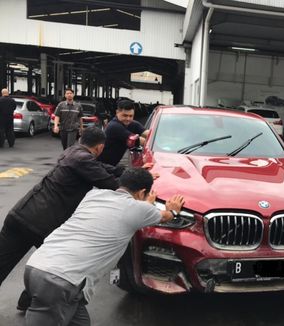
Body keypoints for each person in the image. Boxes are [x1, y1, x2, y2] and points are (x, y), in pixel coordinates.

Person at [24, 168, 185, 326]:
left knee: (80, 322)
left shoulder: (93, 195)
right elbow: (165, 216)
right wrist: (174, 211)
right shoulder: (139, 209)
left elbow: (131, 207)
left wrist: (144, 204)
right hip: (60, 281)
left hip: (37, 265)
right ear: (142, 193)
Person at [0, 127, 125, 310]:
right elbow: (110, 184)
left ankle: (27, 301)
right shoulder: (83, 159)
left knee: (12, 263)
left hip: (21, 215)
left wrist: (120, 170)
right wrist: (135, 182)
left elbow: (100, 168)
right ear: (100, 147)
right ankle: (30, 302)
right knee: (52, 267)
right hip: (40, 223)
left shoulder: (73, 151)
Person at [97, 99, 149, 166]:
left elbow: (150, 134)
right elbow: (142, 141)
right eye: (125, 115)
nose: (128, 119)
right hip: (100, 165)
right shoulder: (114, 126)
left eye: (131, 116)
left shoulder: (132, 124)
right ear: (117, 112)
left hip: (111, 166)